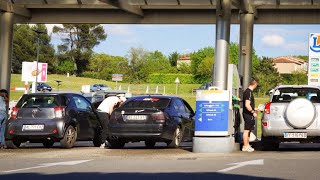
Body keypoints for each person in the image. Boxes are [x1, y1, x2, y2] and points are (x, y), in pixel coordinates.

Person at [242, 79, 258, 152]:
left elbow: (249, 105)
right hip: (248, 114)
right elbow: (247, 105)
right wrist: (253, 112)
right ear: (255, 84)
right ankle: (245, 146)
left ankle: (247, 145)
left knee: (249, 130)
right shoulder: (249, 92)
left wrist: (255, 109)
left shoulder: (247, 92)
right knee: (246, 130)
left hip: (248, 113)